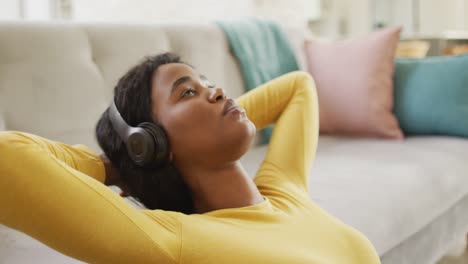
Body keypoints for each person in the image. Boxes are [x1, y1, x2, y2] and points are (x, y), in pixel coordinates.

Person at [0, 52, 381, 263]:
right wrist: (118, 164)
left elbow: (298, 87)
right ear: (152, 144)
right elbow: (7, 157)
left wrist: (218, 120)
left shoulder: (284, 191)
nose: (217, 92)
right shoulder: (178, 242)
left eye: (209, 84)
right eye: (187, 93)